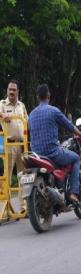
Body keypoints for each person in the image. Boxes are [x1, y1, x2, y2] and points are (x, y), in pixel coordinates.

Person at [29, 84, 81, 203]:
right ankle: (73, 193)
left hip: (36, 155)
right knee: (75, 158)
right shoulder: (54, 111)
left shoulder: (31, 115)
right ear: (48, 95)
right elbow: (69, 126)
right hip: (53, 153)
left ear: (38, 97)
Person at [0, 80, 28, 210]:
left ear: (18, 92)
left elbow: (26, 121)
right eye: (9, 89)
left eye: (14, 90)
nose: (11, 92)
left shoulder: (22, 105)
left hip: (22, 145)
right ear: (7, 90)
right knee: (7, 177)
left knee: (23, 177)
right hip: (9, 145)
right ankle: (7, 207)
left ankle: (23, 207)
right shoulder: (2, 104)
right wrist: (2, 114)